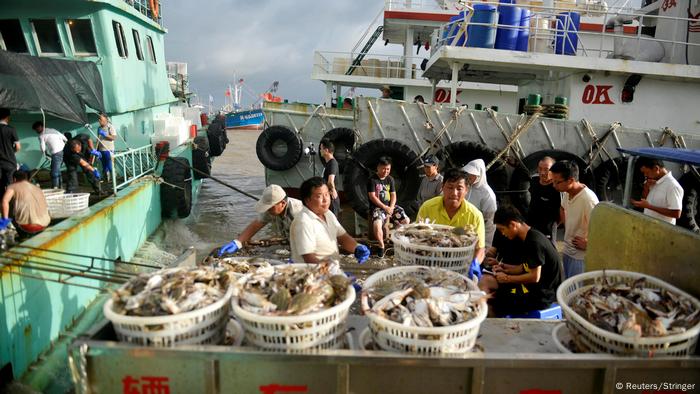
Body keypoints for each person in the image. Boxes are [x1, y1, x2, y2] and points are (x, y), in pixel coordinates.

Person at [479, 205, 562, 316]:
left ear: (513, 225)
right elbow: (523, 267)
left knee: (494, 299)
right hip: (532, 288)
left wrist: (507, 278)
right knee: (485, 281)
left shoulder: (534, 242)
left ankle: (496, 327)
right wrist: (504, 267)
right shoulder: (528, 237)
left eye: (502, 230)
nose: (503, 234)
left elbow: (534, 277)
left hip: (540, 295)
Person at [417, 168, 486, 275]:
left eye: (459, 188)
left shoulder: (475, 215)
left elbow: (480, 248)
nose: (454, 193)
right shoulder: (427, 207)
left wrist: (475, 264)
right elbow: (416, 238)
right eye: (450, 187)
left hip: (460, 266)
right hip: (429, 264)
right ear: (442, 187)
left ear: (466, 190)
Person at [290, 177, 370, 264]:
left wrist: (357, 247)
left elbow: (343, 238)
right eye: (319, 196)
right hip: (313, 274)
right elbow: (309, 258)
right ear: (307, 200)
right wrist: (330, 271)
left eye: (327, 194)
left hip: (329, 271)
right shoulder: (303, 221)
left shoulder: (328, 214)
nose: (325, 200)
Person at [218, 184, 303, 255]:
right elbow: (255, 225)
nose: (268, 210)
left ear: (283, 203)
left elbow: (308, 238)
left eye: (270, 208)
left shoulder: (298, 213)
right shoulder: (272, 210)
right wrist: (237, 242)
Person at [550, 160, 599, 278]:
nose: (554, 186)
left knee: (576, 293)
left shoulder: (588, 199)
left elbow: (603, 228)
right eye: (553, 182)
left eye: (557, 182)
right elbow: (563, 207)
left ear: (571, 180)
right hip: (568, 251)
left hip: (580, 257)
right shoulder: (567, 192)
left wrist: (589, 244)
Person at [367, 156, 410, 257]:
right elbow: (372, 196)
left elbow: (393, 195)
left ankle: (398, 241)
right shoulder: (372, 179)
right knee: (377, 225)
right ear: (378, 167)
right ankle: (381, 246)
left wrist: (391, 207)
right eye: (383, 168)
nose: (386, 171)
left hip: (390, 206)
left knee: (406, 221)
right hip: (377, 208)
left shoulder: (390, 179)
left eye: (388, 169)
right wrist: (384, 207)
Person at [630, 157, 683, 225]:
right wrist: (646, 188)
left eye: (647, 172)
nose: (645, 175)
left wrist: (649, 207)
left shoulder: (673, 186)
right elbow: (645, 200)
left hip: (663, 231)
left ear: (656, 168)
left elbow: (676, 213)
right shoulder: (653, 181)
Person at [1, 170, 50, 235]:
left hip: (28, 226)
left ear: (14, 179)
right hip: (45, 223)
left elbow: (4, 201)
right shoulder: (37, 188)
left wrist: (4, 221)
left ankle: (18, 233)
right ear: (27, 178)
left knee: (7, 205)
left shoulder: (12, 187)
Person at [463, 159, 497, 247]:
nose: (469, 176)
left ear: (479, 175)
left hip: (476, 236)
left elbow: (490, 223)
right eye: (468, 173)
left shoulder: (487, 194)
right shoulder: (464, 187)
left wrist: (486, 245)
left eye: (473, 174)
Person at [527, 156, 561, 239]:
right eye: (540, 168)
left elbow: (563, 211)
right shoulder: (533, 181)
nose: (542, 172)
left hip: (548, 229)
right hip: (531, 225)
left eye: (546, 169)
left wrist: (554, 225)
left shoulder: (558, 188)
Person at [33, 121, 67, 188]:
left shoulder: (41, 135)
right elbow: (65, 138)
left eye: (36, 129)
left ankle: (55, 187)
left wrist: (45, 154)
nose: (36, 131)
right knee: (57, 170)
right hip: (64, 150)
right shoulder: (53, 130)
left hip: (56, 153)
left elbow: (43, 148)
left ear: (40, 127)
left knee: (54, 172)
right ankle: (60, 186)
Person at [0, 108, 20, 198]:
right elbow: (18, 147)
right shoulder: (11, 129)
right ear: (7, 117)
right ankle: (10, 204)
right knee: (10, 185)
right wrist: (12, 152)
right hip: (9, 162)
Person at [319, 139, 340, 217]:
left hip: (332, 198)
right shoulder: (328, 163)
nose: (320, 150)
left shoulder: (332, 163)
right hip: (329, 198)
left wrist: (332, 190)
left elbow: (330, 181)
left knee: (332, 221)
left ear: (326, 150)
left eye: (321, 148)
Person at [97, 114, 117, 182]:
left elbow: (114, 138)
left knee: (110, 166)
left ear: (106, 120)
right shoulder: (99, 128)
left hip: (109, 150)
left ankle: (115, 181)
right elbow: (98, 140)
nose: (99, 121)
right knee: (104, 167)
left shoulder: (110, 127)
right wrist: (97, 150)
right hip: (101, 150)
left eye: (101, 119)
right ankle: (107, 181)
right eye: (99, 119)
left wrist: (105, 135)